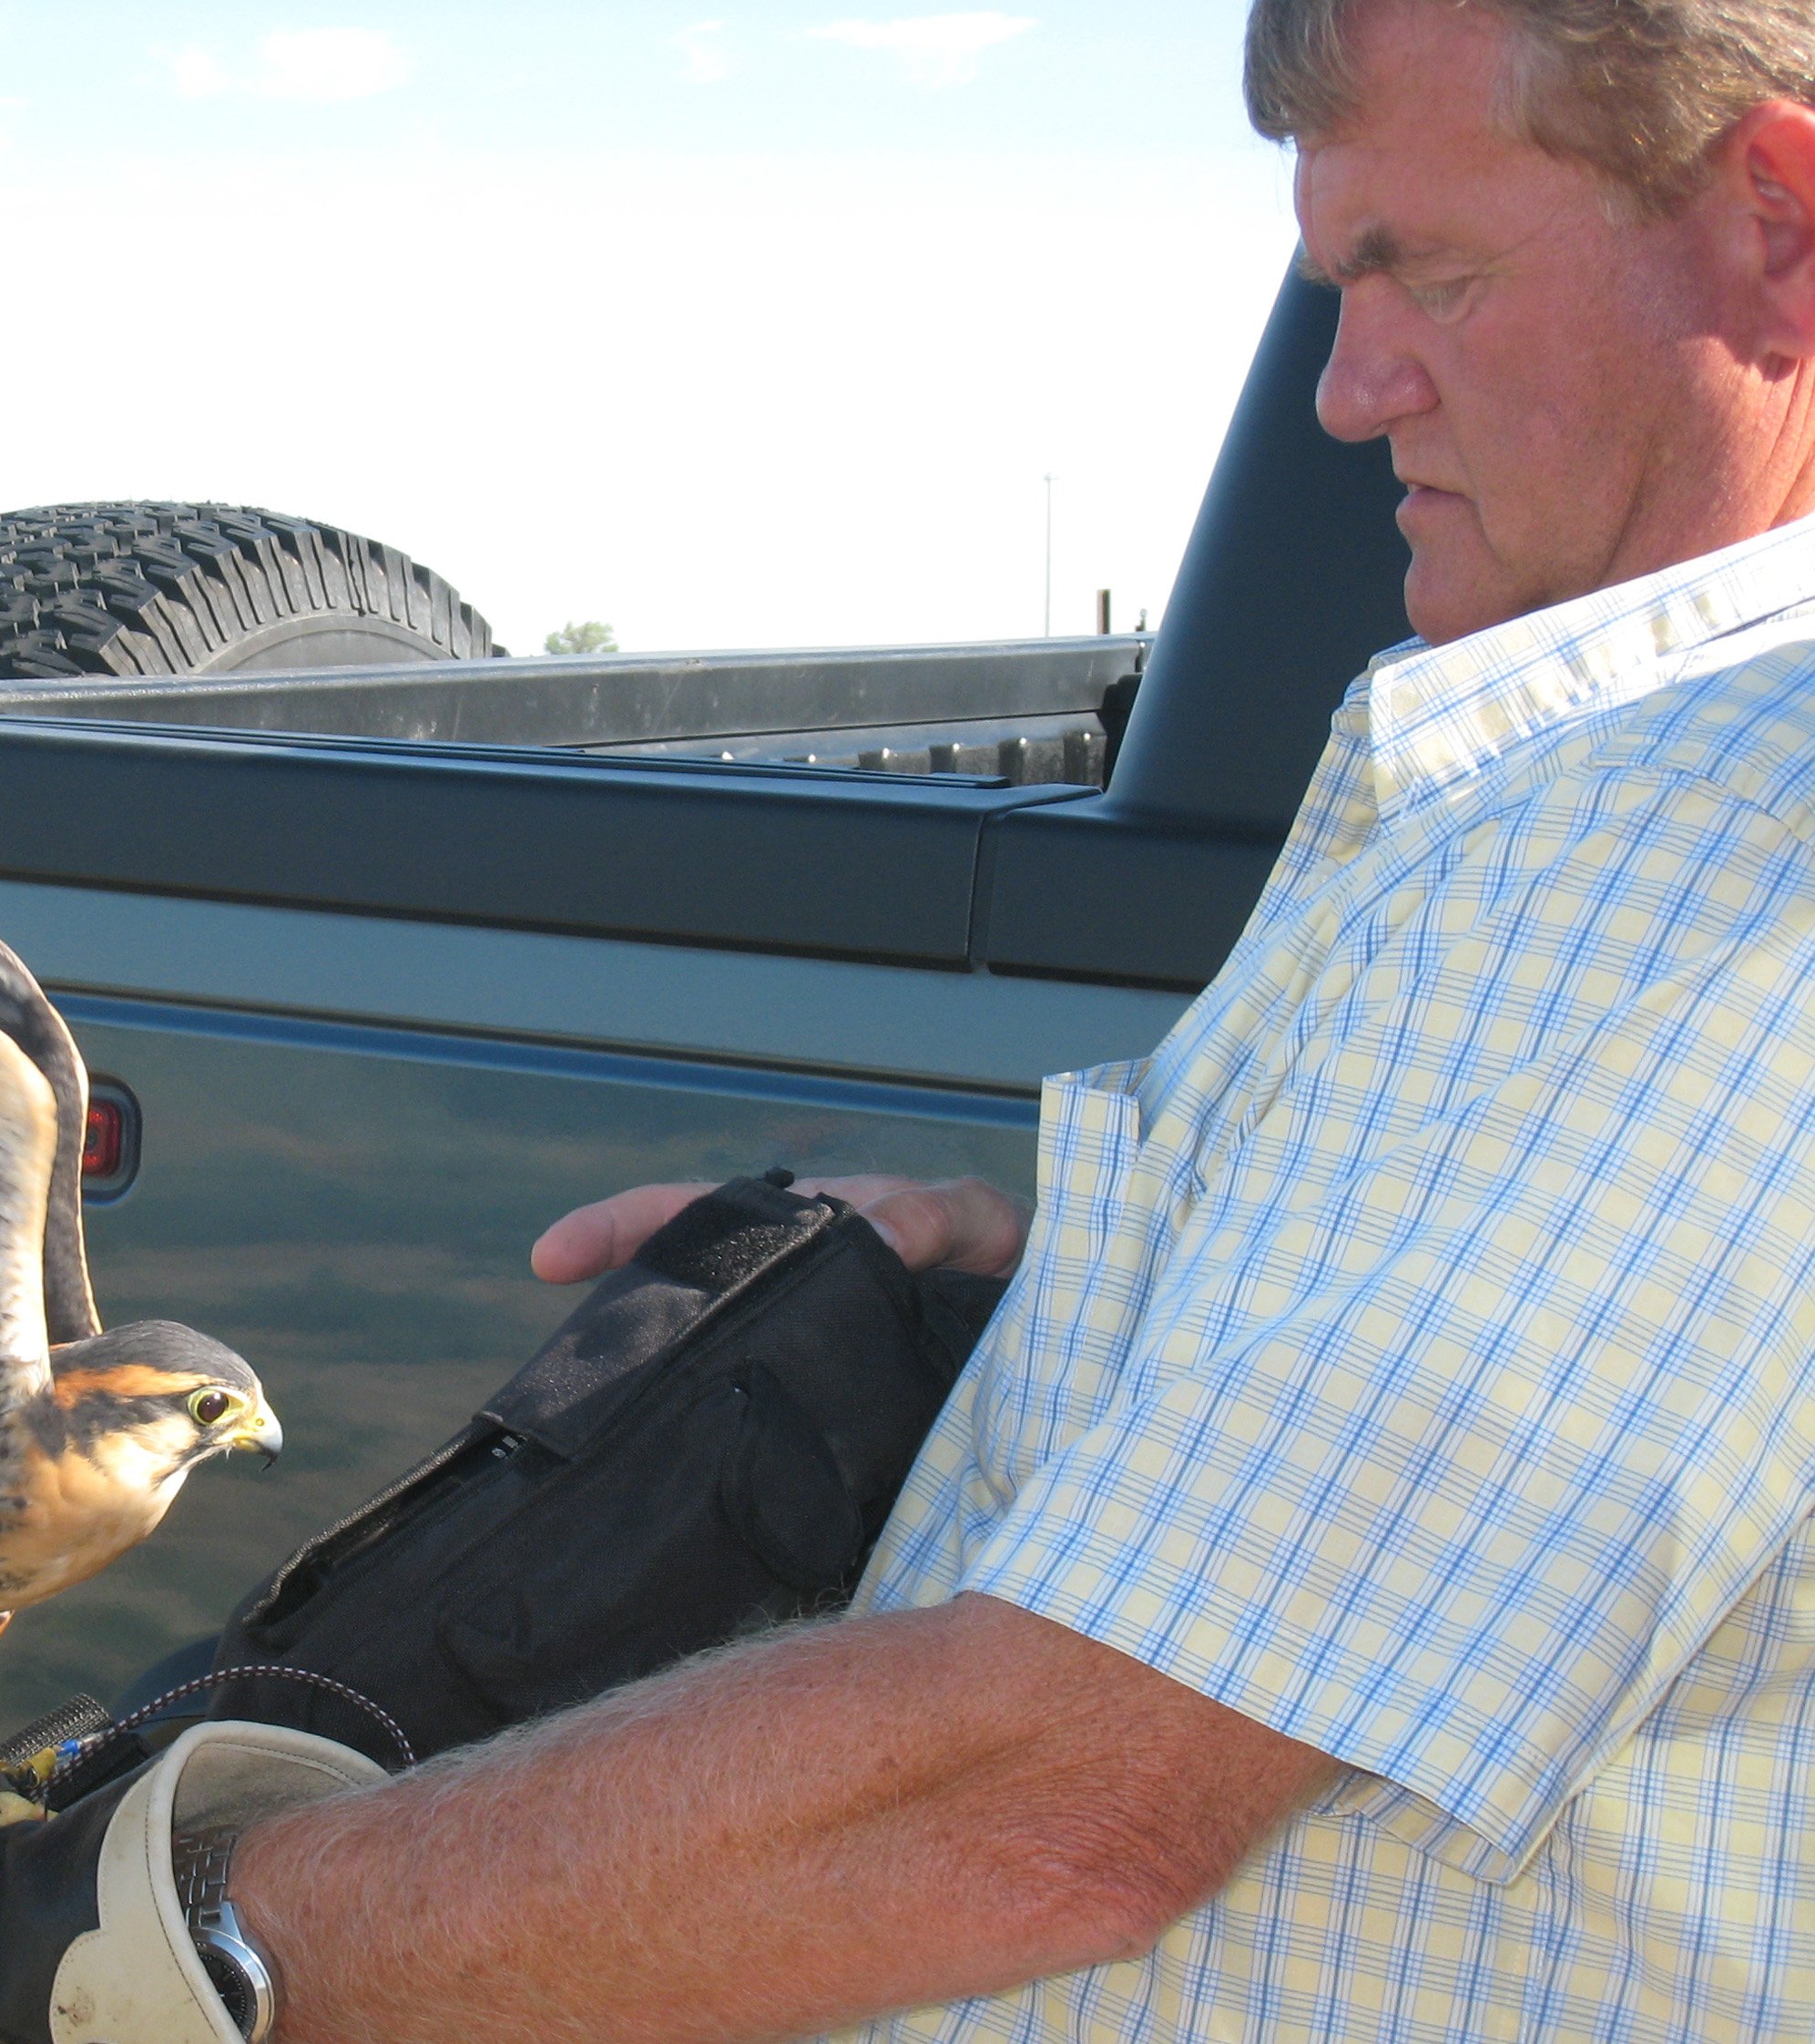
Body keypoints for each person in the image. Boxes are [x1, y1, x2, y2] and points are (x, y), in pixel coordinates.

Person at [198, 2, 1815, 2037]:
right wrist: (1027, 1296)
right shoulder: (1597, 812)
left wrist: (189, 1934)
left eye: (1440, 272)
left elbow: (1061, 1797)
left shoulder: (1722, 834)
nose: (1346, 386)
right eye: (1339, 284)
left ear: (1780, 218)